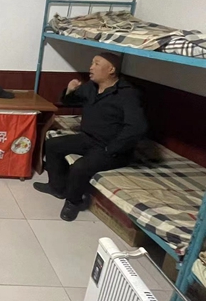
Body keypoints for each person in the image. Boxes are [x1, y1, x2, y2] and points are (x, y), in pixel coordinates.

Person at [34, 52, 148, 221]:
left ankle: (73, 202)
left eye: (96, 63)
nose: (91, 67)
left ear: (111, 69)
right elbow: (69, 102)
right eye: (92, 63)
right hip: (88, 138)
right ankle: (57, 188)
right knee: (53, 144)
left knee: (80, 167)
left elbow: (137, 127)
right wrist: (70, 90)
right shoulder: (91, 87)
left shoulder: (127, 94)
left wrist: (112, 148)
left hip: (110, 147)